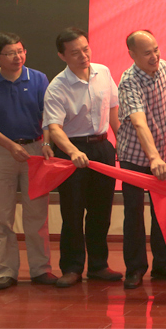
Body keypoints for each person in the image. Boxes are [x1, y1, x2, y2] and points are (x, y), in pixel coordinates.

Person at [0, 32, 57, 290]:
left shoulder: (38, 78)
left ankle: (41, 269)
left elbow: (48, 116)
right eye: (10, 53)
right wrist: (10, 146)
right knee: (1, 216)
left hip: (34, 150)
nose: (17, 57)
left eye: (20, 51)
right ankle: (6, 272)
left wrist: (46, 144)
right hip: (0, 153)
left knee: (37, 214)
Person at [43, 28, 122, 287]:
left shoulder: (103, 72)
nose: (84, 56)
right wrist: (73, 151)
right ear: (62, 56)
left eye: (86, 49)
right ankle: (72, 267)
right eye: (75, 53)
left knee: (101, 211)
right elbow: (55, 128)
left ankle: (99, 266)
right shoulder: (57, 86)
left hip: (102, 148)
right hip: (71, 151)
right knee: (73, 212)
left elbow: (113, 110)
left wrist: (120, 141)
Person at [118, 30, 166, 289]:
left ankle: (162, 264)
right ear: (132, 55)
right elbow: (139, 122)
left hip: (162, 153)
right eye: (147, 53)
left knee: (162, 211)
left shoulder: (163, 67)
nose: (154, 56)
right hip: (134, 156)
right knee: (134, 212)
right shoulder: (129, 81)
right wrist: (153, 157)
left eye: (156, 49)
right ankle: (135, 268)